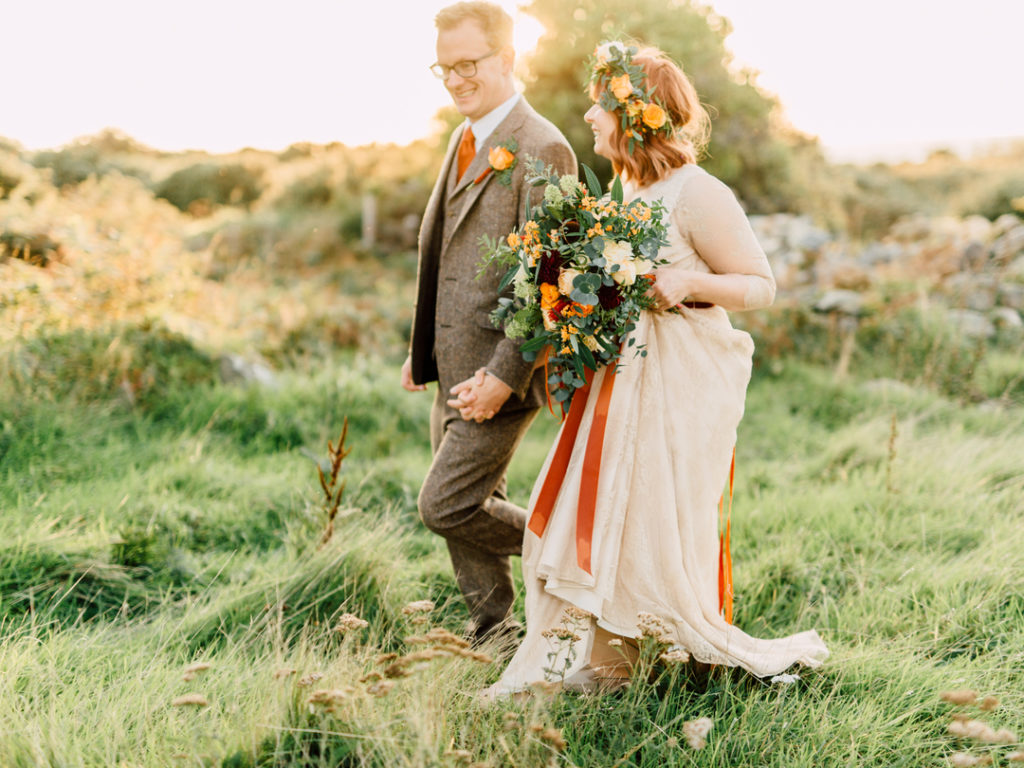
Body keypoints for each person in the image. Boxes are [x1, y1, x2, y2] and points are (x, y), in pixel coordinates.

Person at [488, 42, 828, 694]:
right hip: (616, 380)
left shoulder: (697, 192)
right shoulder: (624, 187)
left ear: (638, 114)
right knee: (607, 512)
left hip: (677, 383)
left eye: (601, 104)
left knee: (650, 513)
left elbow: (760, 285)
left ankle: (659, 651)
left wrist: (689, 279)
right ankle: (606, 663)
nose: (589, 115)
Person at [401, 1, 576, 645]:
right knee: (472, 501)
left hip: (502, 370)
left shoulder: (544, 147)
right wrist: (424, 349)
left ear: (507, 58)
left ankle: (569, 557)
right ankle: (494, 630)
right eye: (444, 68)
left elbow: (550, 284)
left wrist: (505, 376)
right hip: (452, 360)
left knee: (446, 505)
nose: (455, 80)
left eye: (468, 64)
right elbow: (444, 248)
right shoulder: (462, 136)